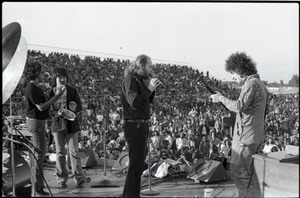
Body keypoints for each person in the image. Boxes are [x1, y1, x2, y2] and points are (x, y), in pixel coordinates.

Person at [210, 52, 268, 197]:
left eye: (233, 73)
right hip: (254, 135)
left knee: (240, 173)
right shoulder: (261, 84)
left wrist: (220, 98)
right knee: (251, 176)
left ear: (241, 70)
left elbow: (239, 106)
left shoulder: (250, 83)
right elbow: (253, 111)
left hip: (245, 139)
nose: (233, 77)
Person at [121, 54, 161, 197]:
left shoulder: (139, 80)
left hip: (140, 125)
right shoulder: (130, 79)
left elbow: (146, 101)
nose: (151, 69)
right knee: (136, 165)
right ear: (140, 65)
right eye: (149, 66)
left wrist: (152, 88)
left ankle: (128, 194)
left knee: (137, 165)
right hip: (134, 125)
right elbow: (134, 101)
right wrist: (149, 89)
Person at [25, 61, 65, 195]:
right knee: (39, 155)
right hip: (36, 123)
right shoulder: (31, 88)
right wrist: (57, 97)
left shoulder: (36, 87)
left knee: (40, 154)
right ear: (36, 74)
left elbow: (43, 108)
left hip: (39, 121)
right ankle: (37, 186)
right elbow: (41, 107)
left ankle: (39, 185)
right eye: (41, 72)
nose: (43, 74)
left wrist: (54, 112)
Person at [49, 67, 91, 188]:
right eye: (60, 77)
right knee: (60, 153)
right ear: (55, 78)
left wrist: (75, 108)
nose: (63, 80)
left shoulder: (72, 91)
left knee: (74, 151)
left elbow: (79, 106)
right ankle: (61, 180)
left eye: (64, 77)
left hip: (71, 124)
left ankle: (79, 178)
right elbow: (48, 110)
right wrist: (57, 113)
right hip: (57, 125)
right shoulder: (51, 92)